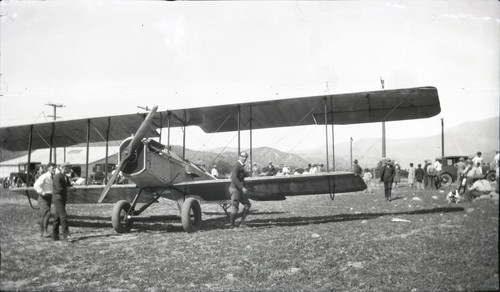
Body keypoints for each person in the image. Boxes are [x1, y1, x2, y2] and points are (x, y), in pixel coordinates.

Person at [228, 152, 251, 228]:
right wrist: (242, 187)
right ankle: (232, 226)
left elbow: (241, 175)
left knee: (247, 205)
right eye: (243, 157)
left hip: (239, 189)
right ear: (239, 156)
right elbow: (234, 178)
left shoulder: (241, 165)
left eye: (246, 157)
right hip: (235, 189)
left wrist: (248, 173)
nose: (244, 158)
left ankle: (242, 223)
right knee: (235, 207)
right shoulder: (236, 165)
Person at [33, 162, 56, 238]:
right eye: (53, 168)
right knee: (48, 214)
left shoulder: (52, 177)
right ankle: (44, 232)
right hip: (43, 198)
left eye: (54, 168)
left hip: (49, 197)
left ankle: (42, 232)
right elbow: (36, 185)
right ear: (48, 168)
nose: (54, 169)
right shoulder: (45, 176)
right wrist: (42, 193)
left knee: (45, 215)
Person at [52, 161, 73, 241]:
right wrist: (67, 189)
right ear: (65, 168)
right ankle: (66, 235)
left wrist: (71, 186)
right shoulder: (57, 177)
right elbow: (59, 189)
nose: (70, 170)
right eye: (69, 168)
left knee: (57, 217)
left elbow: (68, 185)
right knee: (63, 216)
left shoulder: (65, 177)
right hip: (58, 198)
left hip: (63, 198)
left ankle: (55, 235)